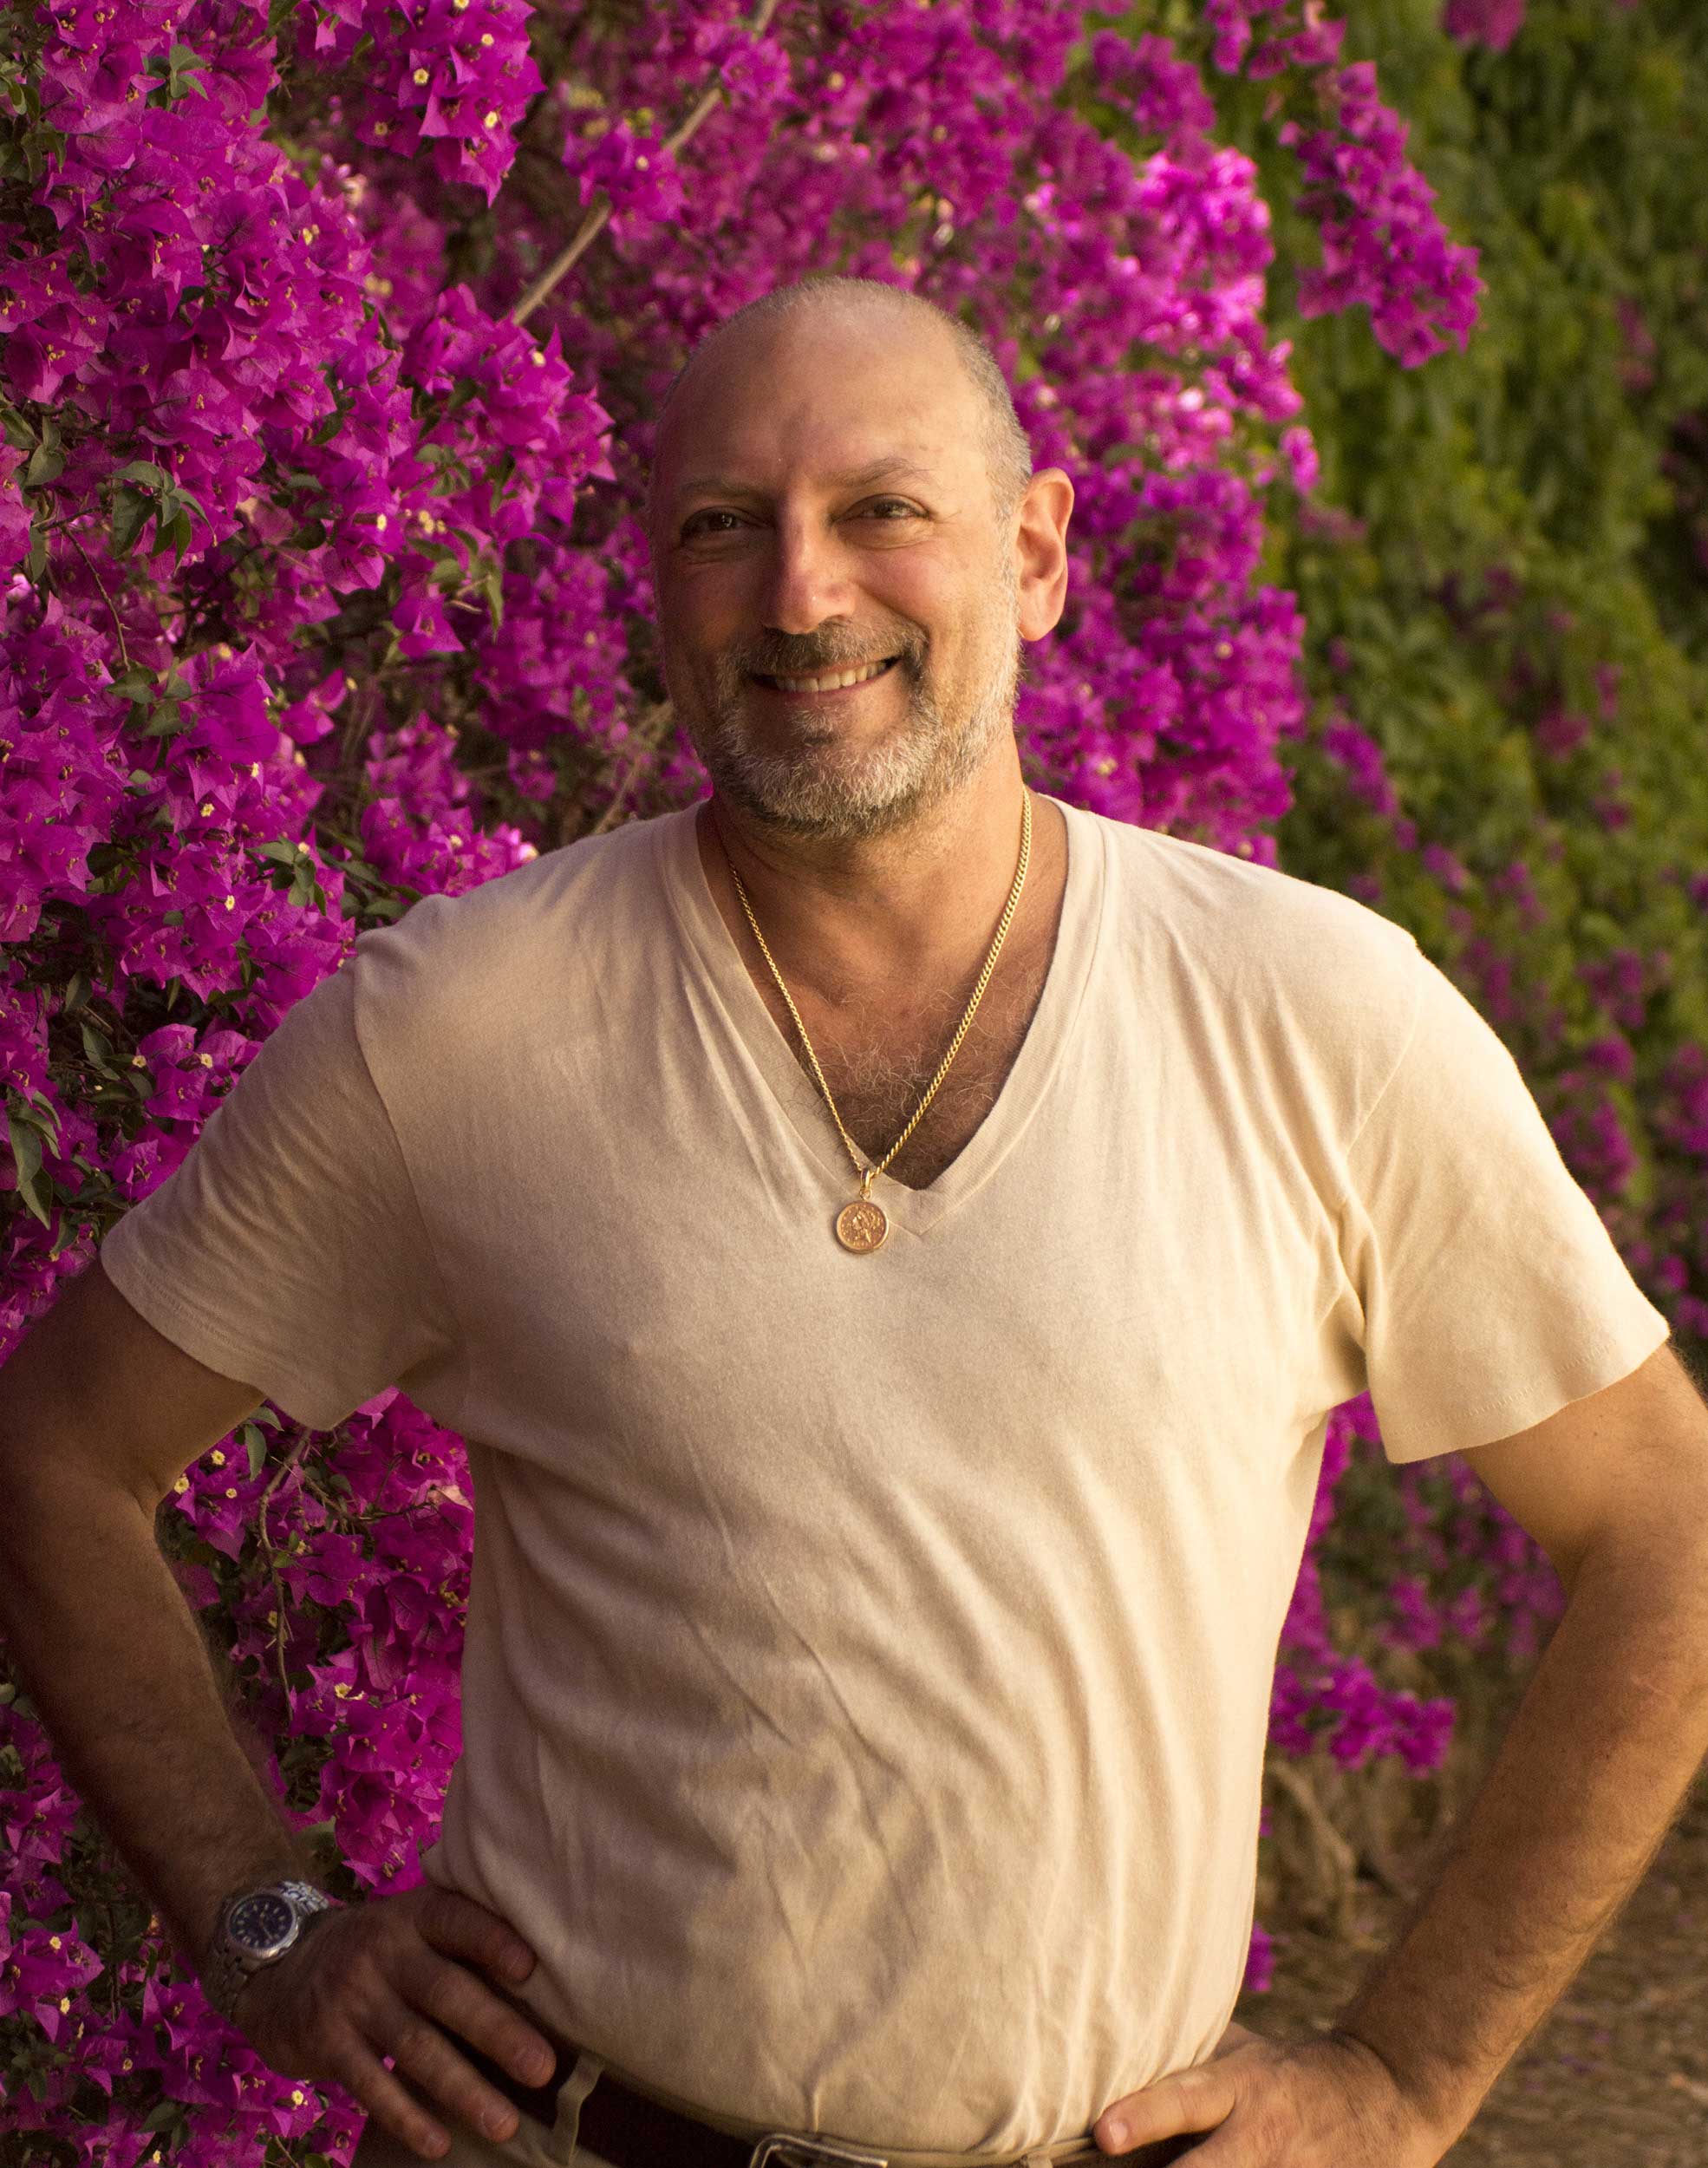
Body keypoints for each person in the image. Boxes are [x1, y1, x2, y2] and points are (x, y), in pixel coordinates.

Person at [3, 272, 1706, 2168]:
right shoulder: (458, 1032)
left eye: (882, 509)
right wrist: (265, 1923)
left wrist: (1405, 2077)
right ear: (657, 588)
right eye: (725, 525)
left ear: (1038, 549)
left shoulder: (1318, 1019)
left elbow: (1668, 1522)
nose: (802, 595)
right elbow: (56, 1452)